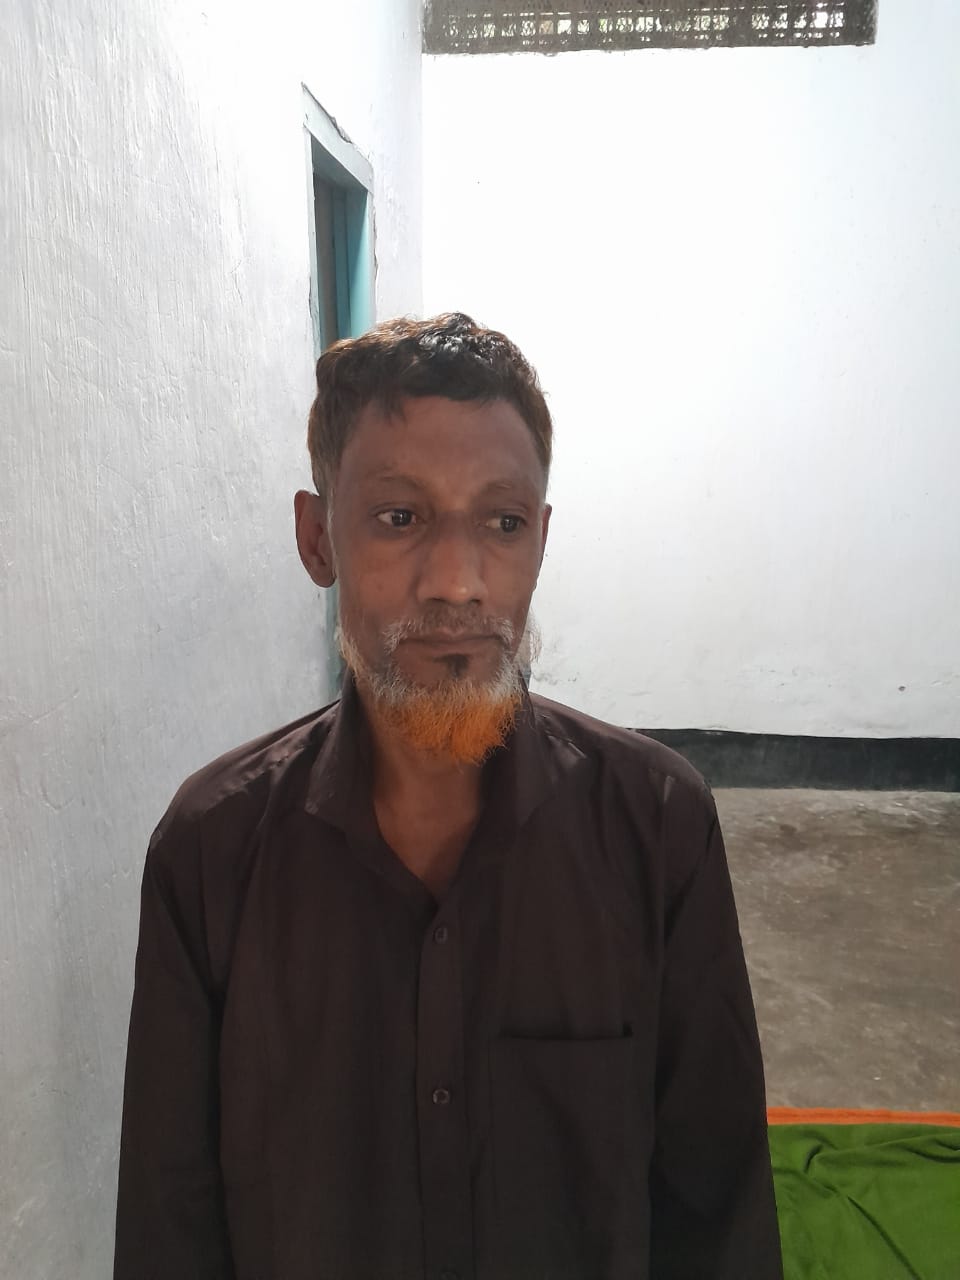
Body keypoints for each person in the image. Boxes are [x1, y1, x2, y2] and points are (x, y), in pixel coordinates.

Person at [114, 312, 784, 1280]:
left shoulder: (659, 828)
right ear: (317, 538)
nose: (460, 583)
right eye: (400, 517)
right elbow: (168, 1232)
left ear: (540, 540)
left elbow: (716, 1212)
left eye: (502, 523)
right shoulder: (209, 853)